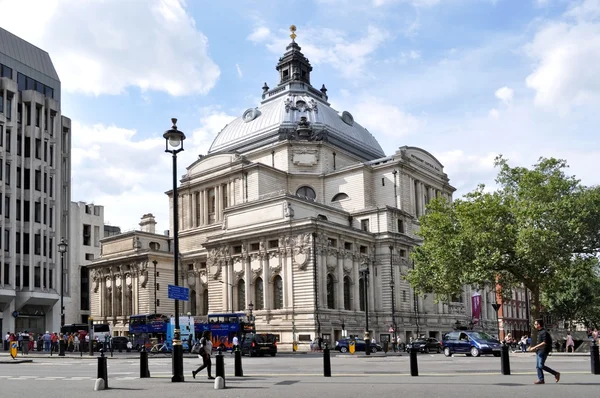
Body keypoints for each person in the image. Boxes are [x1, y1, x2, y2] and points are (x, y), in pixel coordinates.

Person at [528, 318, 560, 384]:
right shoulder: (539, 332)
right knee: (537, 366)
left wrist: (534, 347)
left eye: (535, 324)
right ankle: (541, 379)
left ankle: (556, 373)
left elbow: (544, 342)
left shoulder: (544, 332)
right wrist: (532, 347)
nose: (534, 325)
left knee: (541, 365)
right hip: (539, 350)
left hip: (543, 350)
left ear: (539, 325)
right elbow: (539, 341)